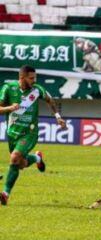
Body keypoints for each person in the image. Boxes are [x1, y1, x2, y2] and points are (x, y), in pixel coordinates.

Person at [0, 65, 66, 205]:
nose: (34, 80)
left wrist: (58, 116)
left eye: (35, 77)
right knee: (20, 164)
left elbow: (50, 100)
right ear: (22, 77)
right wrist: (9, 108)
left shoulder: (37, 90)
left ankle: (5, 193)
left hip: (30, 132)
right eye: (31, 78)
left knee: (14, 157)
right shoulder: (8, 89)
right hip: (13, 133)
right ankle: (37, 158)